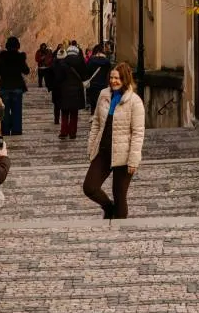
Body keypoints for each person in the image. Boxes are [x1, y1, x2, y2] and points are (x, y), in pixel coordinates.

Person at [83, 62, 146, 220]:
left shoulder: (135, 101)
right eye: (111, 77)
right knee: (90, 187)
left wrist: (133, 160)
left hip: (123, 156)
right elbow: (96, 123)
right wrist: (91, 147)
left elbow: (138, 133)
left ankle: (119, 230)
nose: (113, 81)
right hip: (103, 151)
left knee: (120, 196)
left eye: (117, 78)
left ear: (125, 79)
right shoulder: (104, 94)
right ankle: (108, 208)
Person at [50, 40, 85, 140]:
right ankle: (72, 133)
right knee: (74, 113)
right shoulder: (81, 61)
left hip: (64, 90)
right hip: (77, 90)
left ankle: (64, 132)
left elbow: (59, 77)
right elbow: (84, 76)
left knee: (64, 112)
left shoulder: (63, 62)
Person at [0, 35, 30, 136]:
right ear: (18, 45)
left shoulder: (2, 56)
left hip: (5, 86)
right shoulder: (20, 56)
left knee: (5, 111)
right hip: (17, 86)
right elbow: (26, 71)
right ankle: (16, 130)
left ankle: (5, 131)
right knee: (17, 111)